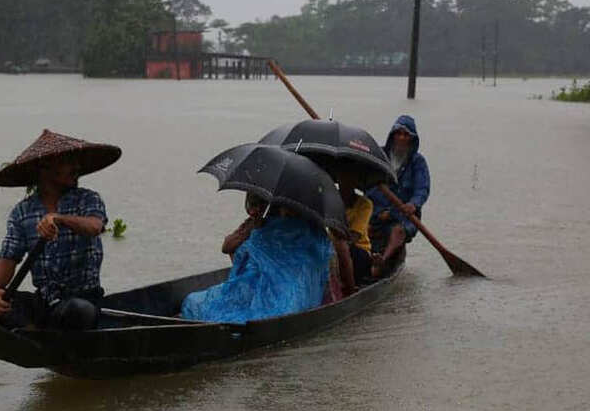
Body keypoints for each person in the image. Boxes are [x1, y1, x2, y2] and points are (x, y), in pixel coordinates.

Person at [0, 129, 120, 330]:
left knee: (78, 311)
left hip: (81, 301)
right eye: (70, 161)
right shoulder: (22, 213)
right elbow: (6, 263)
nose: (77, 167)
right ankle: (31, 333)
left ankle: (39, 336)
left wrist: (60, 219)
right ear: (44, 167)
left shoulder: (88, 199)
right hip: (43, 304)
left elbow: (94, 226)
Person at [182, 204, 332, 323]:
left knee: (282, 308)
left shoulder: (312, 232)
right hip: (256, 283)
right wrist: (252, 227)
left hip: (289, 287)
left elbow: (314, 267)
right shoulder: (264, 224)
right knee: (195, 301)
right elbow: (228, 247)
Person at [365, 115, 430, 276]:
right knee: (362, 230)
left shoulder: (417, 162)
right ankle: (362, 262)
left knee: (398, 232)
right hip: (377, 212)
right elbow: (368, 187)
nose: (401, 138)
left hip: (404, 215)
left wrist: (413, 204)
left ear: (412, 139)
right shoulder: (379, 155)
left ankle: (382, 262)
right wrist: (380, 214)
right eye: (398, 133)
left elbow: (422, 189)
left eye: (406, 135)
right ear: (392, 135)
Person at [221, 193, 268, 258]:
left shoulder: (263, 225)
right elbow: (226, 247)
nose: (252, 211)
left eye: (258, 205)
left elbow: (226, 246)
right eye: (251, 205)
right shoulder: (249, 224)